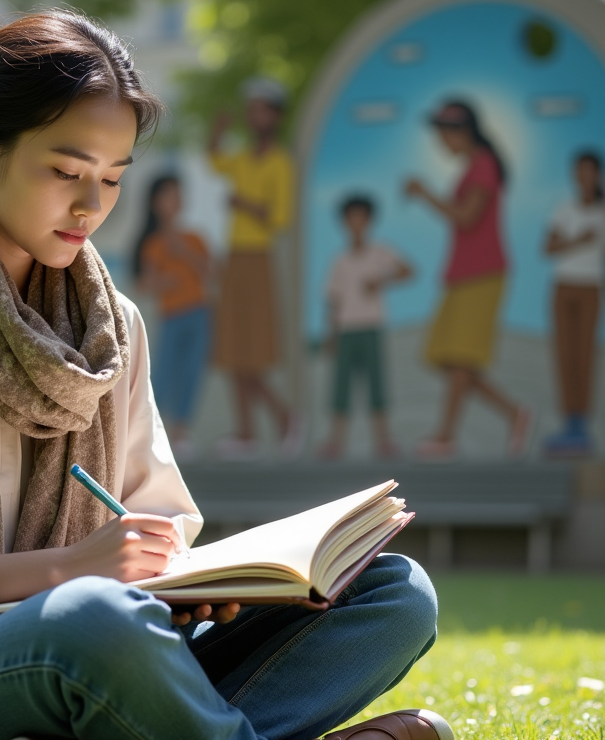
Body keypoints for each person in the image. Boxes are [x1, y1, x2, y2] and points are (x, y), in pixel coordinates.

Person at [0, 11, 448, 740]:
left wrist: (197, 581)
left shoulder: (111, 328)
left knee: (395, 593)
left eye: (112, 179)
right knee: (90, 618)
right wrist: (68, 570)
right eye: (66, 172)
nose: (91, 205)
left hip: (100, 649)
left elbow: (158, 515)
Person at [403, 100, 531, 461]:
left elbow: (467, 217)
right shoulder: (473, 166)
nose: (441, 141)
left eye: (444, 132)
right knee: (443, 355)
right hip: (462, 273)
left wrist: (425, 193)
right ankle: (514, 413)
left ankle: (445, 436)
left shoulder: (484, 165)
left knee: (459, 357)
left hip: (484, 271)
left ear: (462, 130)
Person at [208, 78, 304, 460]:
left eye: (262, 109)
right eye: (252, 109)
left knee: (250, 350)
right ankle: (250, 431)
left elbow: (279, 218)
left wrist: (243, 204)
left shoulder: (281, 162)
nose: (254, 116)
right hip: (235, 256)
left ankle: (283, 418)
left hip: (259, 258)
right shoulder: (244, 156)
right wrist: (217, 131)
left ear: (277, 116)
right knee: (233, 349)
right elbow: (215, 160)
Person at [542, 151, 605, 456]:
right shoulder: (564, 209)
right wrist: (579, 240)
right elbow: (548, 247)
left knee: (585, 354)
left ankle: (581, 424)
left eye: (590, 171)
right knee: (564, 353)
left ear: (599, 175)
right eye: (579, 171)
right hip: (564, 286)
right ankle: (568, 421)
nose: (584, 177)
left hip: (592, 288)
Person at [320, 195, 413, 460]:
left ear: (370, 221)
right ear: (344, 223)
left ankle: (383, 440)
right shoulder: (339, 261)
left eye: (362, 218)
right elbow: (333, 301)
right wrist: (331, 335)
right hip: (347, 330)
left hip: (371, 327)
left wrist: (381, 281)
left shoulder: (380, 252)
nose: (357, 224)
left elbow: (408, 270)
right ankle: (336, 440)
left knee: (376, 384)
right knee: (341, 387)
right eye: (352, 218)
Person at [136, 175, 212, 460]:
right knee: (164, 372)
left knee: (191, 373)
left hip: (200, 313)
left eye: (179, 194)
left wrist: (184, 253)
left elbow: (210, 272)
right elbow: (146, 282)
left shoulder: (194, 238)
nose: (176, 200)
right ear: (156, 203)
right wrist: (164, 281)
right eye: (170, 195)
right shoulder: (153, 244)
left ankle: (181, 434)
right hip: (171, 316)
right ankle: (156, 433)